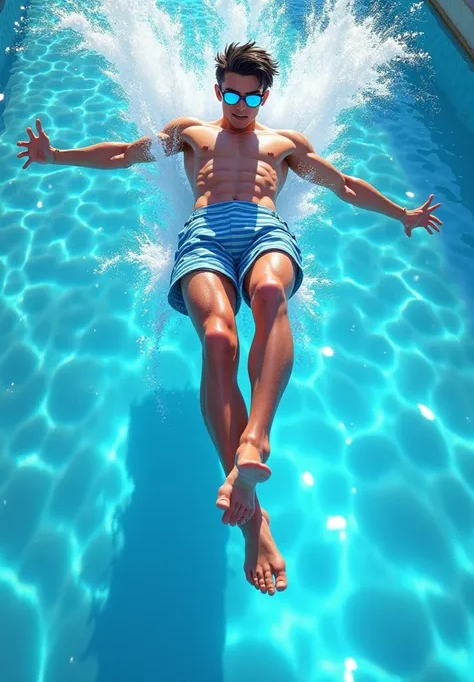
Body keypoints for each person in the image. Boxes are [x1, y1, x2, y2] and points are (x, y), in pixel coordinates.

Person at [17, 41, 442, 595]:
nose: (241, 105)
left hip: (265, 233)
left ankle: (255, 440)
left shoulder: (284, 144)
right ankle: (254, 517)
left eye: (252, 96)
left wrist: (401, 213)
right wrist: (57, 155)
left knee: (269, 293)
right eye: (232, 93)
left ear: (265, 95)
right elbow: (124, 154)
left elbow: (343, 185)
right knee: (218, 337)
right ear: (218, 90)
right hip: (206, 237)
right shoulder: (191, 133)